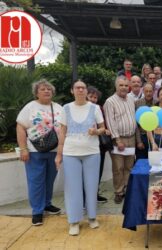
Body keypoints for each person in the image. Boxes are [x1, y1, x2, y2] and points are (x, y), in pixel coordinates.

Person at [55, 80, 105, 236]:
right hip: (71, 153)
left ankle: (91, 218)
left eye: (83, 87)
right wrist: (59, 154)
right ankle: (74, 221)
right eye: (77, 87)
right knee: (73, 188)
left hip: (92, 152)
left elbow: (103, 128)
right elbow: (62, 132)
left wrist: (96, 132)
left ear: (86, 91)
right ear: (72, 91)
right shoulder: (66, 108)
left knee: (91, 186)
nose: (80, 90)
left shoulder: (95, 108)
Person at [16, 79, 62, 226]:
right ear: (36, 92)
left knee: (49, 180)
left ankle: (47, 204)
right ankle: (37, 211)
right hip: (35, 151)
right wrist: (23, 148)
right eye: (43, 89)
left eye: (49, 89)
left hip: (54, 150)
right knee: (36, 181)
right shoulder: (30, 107)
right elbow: (20, 127)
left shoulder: (58, 107)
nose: (47, 91)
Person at [103, 76, 139, 204]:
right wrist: (117, 140)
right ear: (116, 86)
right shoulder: (110, 102)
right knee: (118, 167)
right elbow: (110, 122)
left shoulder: (130, 99)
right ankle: (118, 192)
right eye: (121, 85)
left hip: (131, 138)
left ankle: (127, 190)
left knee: (129, 166)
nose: (123, 87)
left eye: (125, 85)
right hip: (119, 139)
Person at [87, 86, 109, 203]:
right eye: (91, 96)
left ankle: (95, 194)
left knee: (98, 171)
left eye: (95, 97)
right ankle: (86, 197)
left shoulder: (99, 108)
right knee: (86, 173)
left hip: (99, 145)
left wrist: (106, 130)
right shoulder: (79, 108)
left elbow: (104, 124)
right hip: (85, 146)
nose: (93, 99)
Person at [135, 83, 157, 159]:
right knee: (141, 161)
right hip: (142, 136)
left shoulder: (157, 103)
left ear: (153, 92)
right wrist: (139, 141)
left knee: (154, 161)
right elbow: (136, 124)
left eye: (150, 91)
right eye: (146, 91)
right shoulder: (137, 103)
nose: (148, 93)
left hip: (155, 137)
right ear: (143, 91)